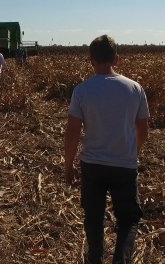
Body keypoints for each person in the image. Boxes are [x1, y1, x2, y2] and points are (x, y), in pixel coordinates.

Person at [64, 35, 149, 264]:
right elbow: (143, 130)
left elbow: (72, 133)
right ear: (117, 59)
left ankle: (94, 259)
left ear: (91, 60)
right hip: (125, 165)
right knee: (128, 220)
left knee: (93, 217)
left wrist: (68, 165)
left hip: (92, 165)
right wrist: (134, 152)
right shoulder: (135, 89)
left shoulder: (82, 91)